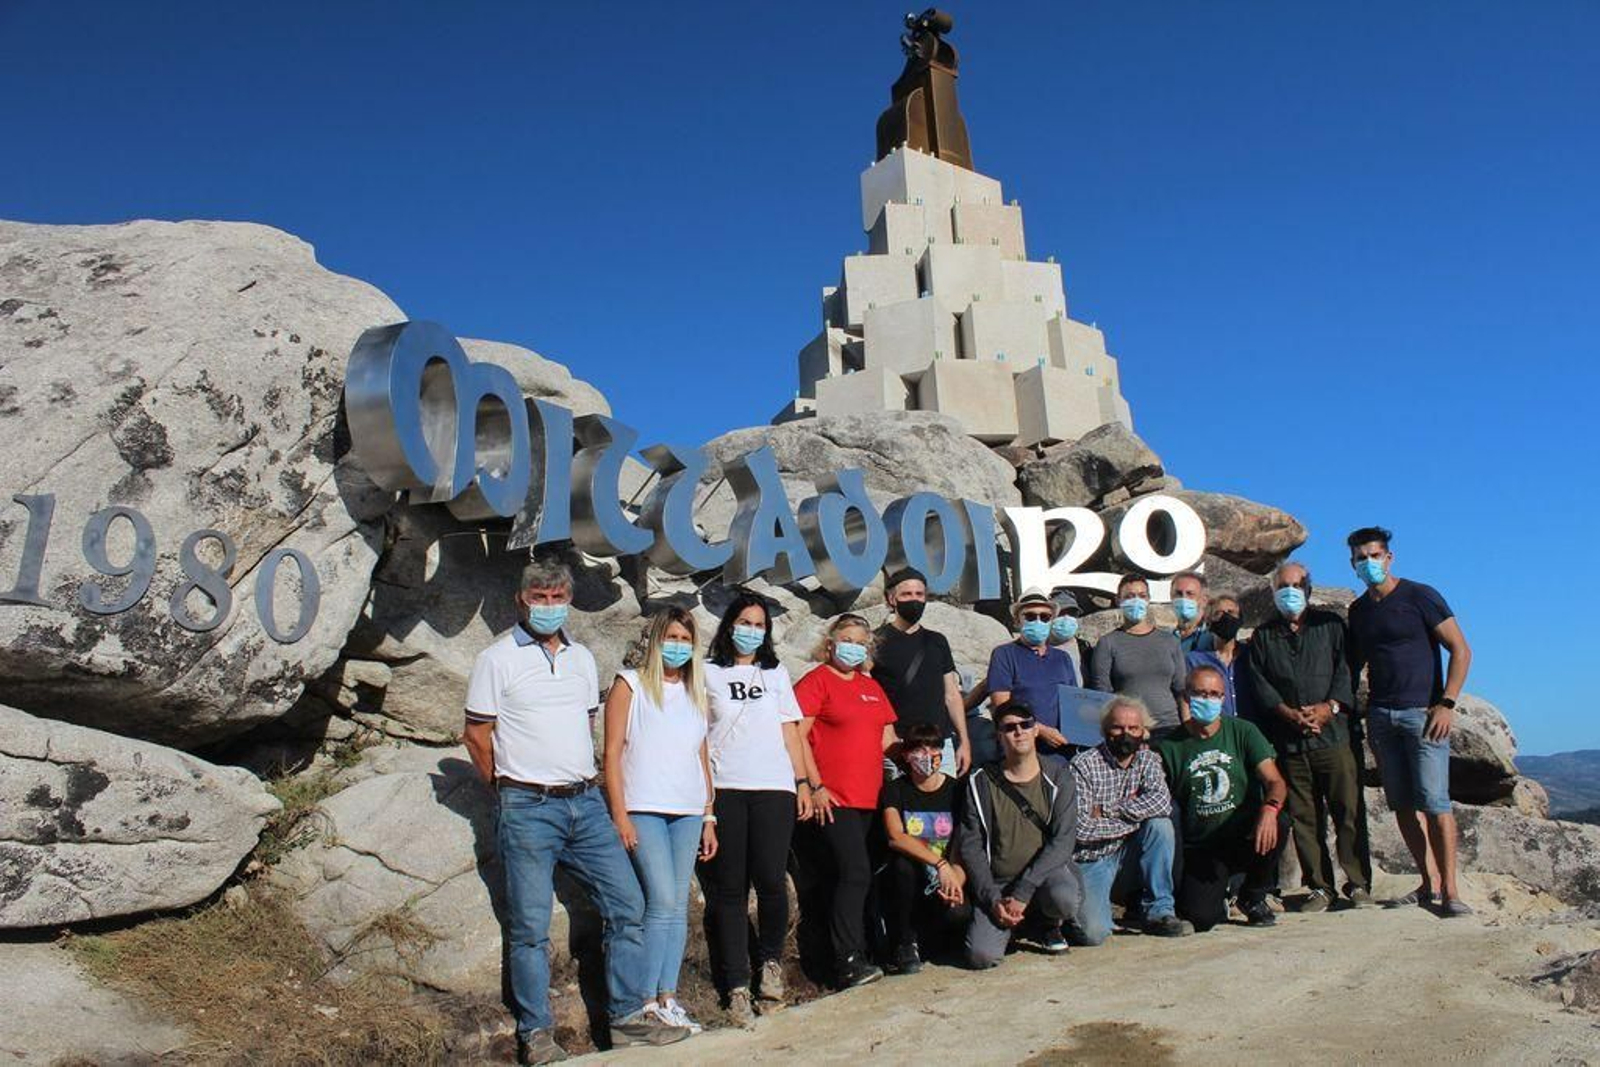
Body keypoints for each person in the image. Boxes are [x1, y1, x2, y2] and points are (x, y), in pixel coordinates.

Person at [464, 560, 689, 1065]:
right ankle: (536, 1033)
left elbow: (587, 720)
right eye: (539, 598)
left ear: (569, 600)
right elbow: (477, 736)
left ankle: (628, 1017)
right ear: (522, 601)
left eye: (557, 597)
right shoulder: (496, 660)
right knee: (529, 926)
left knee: (628, 904)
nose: (549, 606)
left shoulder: (582, 658)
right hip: (528, 805)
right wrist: (506, 789)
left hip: (584, 802)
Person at [1345, 526, 1474, 917]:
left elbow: (1460, 649)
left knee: (1436, 803)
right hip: (1381, 716)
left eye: (1374, 556)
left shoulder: (1420, 596)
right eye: (1360, 558)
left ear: (1389, 558)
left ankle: (1451, 890)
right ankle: (1427, 882)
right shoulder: (1359, 611)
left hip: (1423, 713)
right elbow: (1355, 665)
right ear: (1352, 564)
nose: (1368, 563)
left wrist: (1447, 702)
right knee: (1401, 805)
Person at [699, 591, 815, 1024]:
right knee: (729, 889)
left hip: (774, 788)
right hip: (727, 788)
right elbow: (698, 733)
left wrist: (802, 782)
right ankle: (735, 985)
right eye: (744, 622)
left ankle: (770, 966)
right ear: (729, 625)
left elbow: (790, 731)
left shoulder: (776, 673)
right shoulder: (706, 672)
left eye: (759, 625)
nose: (751, 631)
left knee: (770, 880)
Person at [602, 608, 717, 1036]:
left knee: (679, 906)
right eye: (671, 637)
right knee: (662, 901)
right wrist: (620, 814)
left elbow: (702, 755)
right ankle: (644, 1000)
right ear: (655, 640)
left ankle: (669, 997)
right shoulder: (629, 685)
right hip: (644, 807)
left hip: (687, 809)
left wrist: (709, 813)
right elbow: (612, 753)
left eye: (686, 639)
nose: (678, 646)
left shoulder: (695, 690)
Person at [1248, 563, 1371, 912]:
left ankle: (1358, 882)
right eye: (1283, 585)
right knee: (1305, 817)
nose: (1290, 591)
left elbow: (1344, 671)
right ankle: (1319, 886)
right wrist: (1287, 713)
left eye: (1296, 585)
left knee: (1347, 811)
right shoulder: (1264, 636)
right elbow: (1260, 683)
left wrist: (1328, 707)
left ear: (1308, 588)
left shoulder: (1331, 626)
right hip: (1291, 740)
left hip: (1333, 736)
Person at [794, 614, 898, 988]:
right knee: (853, 873)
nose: (854, 646)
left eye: (861, 641)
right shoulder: (816, 681)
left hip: (869, 798)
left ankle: (867, 949)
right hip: (832, 798)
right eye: (847, 639)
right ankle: (846, 962)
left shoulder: (870, 686)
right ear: (830, 642)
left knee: (862, 874)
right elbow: (797, 735)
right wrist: (812, 784)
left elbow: (888, 739)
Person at [1158, 665, 1290, 932]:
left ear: (1223, 698)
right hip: (1203, 846)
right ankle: (1219, 896)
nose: (1207, 700)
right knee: (1201, 919)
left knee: (1281, 822)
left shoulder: (1243, 732)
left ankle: (1252, 896)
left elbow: (1275, 781)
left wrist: (1270, 808)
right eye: (1200, 693)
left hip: (1243, 834)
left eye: (1214, 694)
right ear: (1186, 697)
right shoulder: (1169, 746)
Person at [956, 701, 1083, 968]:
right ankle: (1013, 923)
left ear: (1036, 730)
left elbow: (1063, 842)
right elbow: (971, 845)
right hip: (999, 884)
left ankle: (1049, 924)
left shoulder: (1060, 778)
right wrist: (992, 899)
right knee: (981, 956)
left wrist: (1024, 891)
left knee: (1064, 898)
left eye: (1026, 725)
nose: (1019, 732)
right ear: (998, 736)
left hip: (1046, 878)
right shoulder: (979, 782)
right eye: (1010, 727)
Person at [1069, 695, 1190, 943]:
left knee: (1160, 826)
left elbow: (1161, 803)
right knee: (1092, 934)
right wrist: (1134, 821)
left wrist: (1107, 810)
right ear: (1105, 730)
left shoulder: (1149, 759)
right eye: (1118, 727)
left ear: (1143, 731)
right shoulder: (1083, 765)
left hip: (1130, 852)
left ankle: (1159, 911)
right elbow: (1081, 828)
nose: (1126, 734)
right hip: (1094, 857)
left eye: (1133, 728)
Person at [881, 721, 971, 974]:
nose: (929, 756)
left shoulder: (957, 790)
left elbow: (964, 841)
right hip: (915, 876)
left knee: (959, 915)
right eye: (920, 750)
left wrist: (955, 877)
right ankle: (906, 943)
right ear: (907, 755)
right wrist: (939, 864)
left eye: (935, 750)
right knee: (901, 865)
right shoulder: (895, 789)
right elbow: (896, 835)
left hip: (949, 875)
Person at [874, 567, 972, 774]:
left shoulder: (937, 641)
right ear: (892, 599)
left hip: (939, 744)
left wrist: (964, 741)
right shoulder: (876, 641)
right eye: (906, 594)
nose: (914, 600)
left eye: (919, 594)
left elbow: (951, 694)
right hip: (897, 744)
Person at [1091, 575, 1187, 741]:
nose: (1136, 601)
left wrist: (1188, 728)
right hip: (1131, 732)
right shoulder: (1108, 643)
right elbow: (1103, 693)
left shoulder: (1170, 641)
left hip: (1170, 727)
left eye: (1142, 596)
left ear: (1148, 599)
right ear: (1118, 600)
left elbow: (1182, 690)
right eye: (1129, 596)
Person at [985, 588, 1079, 754]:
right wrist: (1041, 731)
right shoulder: (1004, 654)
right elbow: (1002, 707)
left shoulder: (1063, 658)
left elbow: (1074, 704)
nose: (1038, 621)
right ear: (1016, 621)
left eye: (1044, 617)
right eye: (1030, 616)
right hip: (1018, 750)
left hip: (1060, 751)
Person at [1184, 594, 1253, 719]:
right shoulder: (1195, 660)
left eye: (1231, 612)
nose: (1226, 617)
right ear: (1209, 622)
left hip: (1250, 729)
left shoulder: (1251, 654)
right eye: (1218, 613)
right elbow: (1186, 698)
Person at [1048, 588, 1095, 684]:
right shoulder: (1039, 649)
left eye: (1072, 614)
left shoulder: (1085, 648)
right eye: (1061, 613)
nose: (1066, 618)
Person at [1170, 570, 1215, 654]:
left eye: (1190, 594)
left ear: (1204, 600)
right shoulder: (1164, 637)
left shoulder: (1213, 639)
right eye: (1178, 593)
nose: (1183, 599)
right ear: (1171, 597)